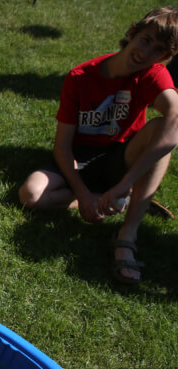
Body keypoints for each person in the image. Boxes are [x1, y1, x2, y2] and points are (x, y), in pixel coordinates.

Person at [19, 7, 178, 285]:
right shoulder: (81, 77)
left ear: (164, 58)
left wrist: (125, 182)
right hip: (79, 158)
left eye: (158, 49)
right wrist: (82, 195)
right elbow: (62, 147)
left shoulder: (153, 74)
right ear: (131, 34)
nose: (146, 51)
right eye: (145, 39)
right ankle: (115, 198)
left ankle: (126, 234)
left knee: (161, 128)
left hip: (121, 157)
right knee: (30, 194)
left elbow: (175, 121)